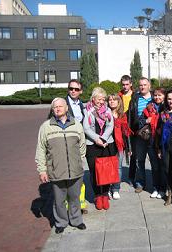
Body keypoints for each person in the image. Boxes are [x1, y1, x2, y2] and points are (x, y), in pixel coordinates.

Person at [35, 97, 86, 234]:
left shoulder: (76, 124)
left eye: (60, 106)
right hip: (56, 171)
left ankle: (76, 220)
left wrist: (78, 160)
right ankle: (61, 222)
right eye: (55, 107)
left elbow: (82, 145)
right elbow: (40, 150)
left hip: (75, 170)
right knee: (59, 200)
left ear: (66, 108)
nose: (57, 109)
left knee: (75, 198)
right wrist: (42, 170)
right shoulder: (46, 127)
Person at [83, 87, 116, 210]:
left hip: (106, 144)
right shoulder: (87, 110)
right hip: (92, 145)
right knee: (94, 172)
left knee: (106, 171)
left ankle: (105, 194)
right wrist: (97, 139)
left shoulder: (107, 110)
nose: (101, 101)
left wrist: (103, 138)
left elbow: (110, 125)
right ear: (93, 99)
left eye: (103, 99)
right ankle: (97, 195)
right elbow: (86, 128)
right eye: (99, 99)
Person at [128, 77, 159, 193]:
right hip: (139, 134)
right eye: (141, 85)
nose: (142, 87)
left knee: (154, 161)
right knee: (139, 160)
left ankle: (156, 185)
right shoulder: (135, 99)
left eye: (145, 85)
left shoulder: (155, 98)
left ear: (149, 86)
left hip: (153, 135)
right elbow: (131, 116)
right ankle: (140, 183)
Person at [139, 87, 166, 199]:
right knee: (155, 166)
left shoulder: (168, 107)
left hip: (164, 142)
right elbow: (140, 121)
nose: (157, 97)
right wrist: (146, 120)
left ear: (164, 96)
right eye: (155, 95)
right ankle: (155, 187)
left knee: (164, 167)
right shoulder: (149, 107)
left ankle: (163, 189)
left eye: (160, 95)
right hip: (152, 141)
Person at [66, 79, 88, 214]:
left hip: (79, 143)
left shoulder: (81, 104)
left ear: (80, 91)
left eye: (76, 89)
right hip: (67, 144)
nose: (73, 91)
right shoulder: (62, 104)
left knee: (79, 173)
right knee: (68, 174)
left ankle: (80, 203)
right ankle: (69, 206)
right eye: (71, 88)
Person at [108, 94, 132, 200]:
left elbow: (126, 133)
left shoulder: (122, 115)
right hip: (108, 144)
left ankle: (116, 189)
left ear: (119, 102)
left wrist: (129, 148)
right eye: (110, 100)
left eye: (114, 100)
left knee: (118, 167)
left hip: (120, 145)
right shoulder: (105, 114)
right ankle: (107, 187)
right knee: (108, 167)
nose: (112, 101)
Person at [118, 75, 136, 183]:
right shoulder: (119, 95)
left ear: (131, 84)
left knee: (132, 153)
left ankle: (131, 176)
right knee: (120, 152)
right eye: (123, 84)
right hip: (121, 126)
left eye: (127, 84)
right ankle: (117, 177)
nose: (125, 86)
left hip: (132, 126)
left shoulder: (135, 96)